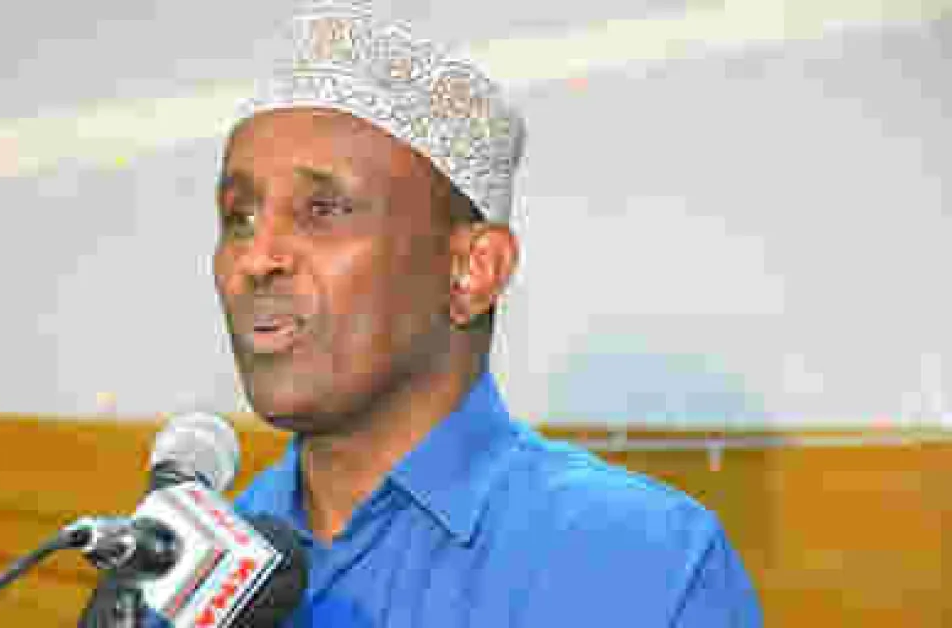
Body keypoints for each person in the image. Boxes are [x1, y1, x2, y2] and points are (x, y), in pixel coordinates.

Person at [84, 2, 762, 625]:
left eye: (323, 210)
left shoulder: (642, 565)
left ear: (472, 270)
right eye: (239, 218)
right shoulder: (184, 582)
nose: (256, 258)